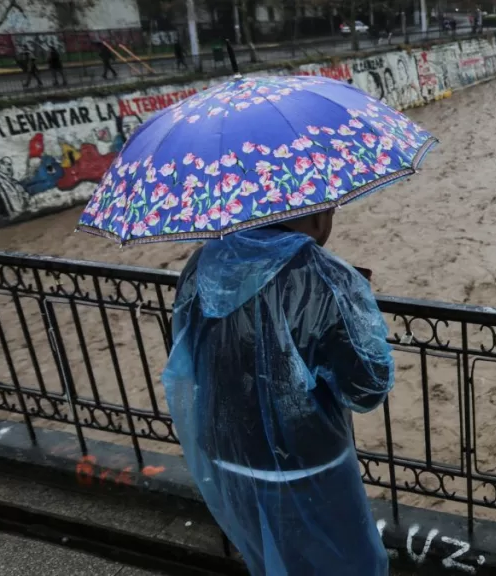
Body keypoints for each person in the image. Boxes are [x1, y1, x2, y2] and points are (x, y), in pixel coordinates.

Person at [162, 209, 393, 576]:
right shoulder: (323, 275)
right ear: (317, 216)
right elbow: (367, 389)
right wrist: (355, 309)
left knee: (275, 563)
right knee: (351, 565)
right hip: (309, 466)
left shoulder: (202, 262)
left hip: (227, 455)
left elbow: (189, 356)